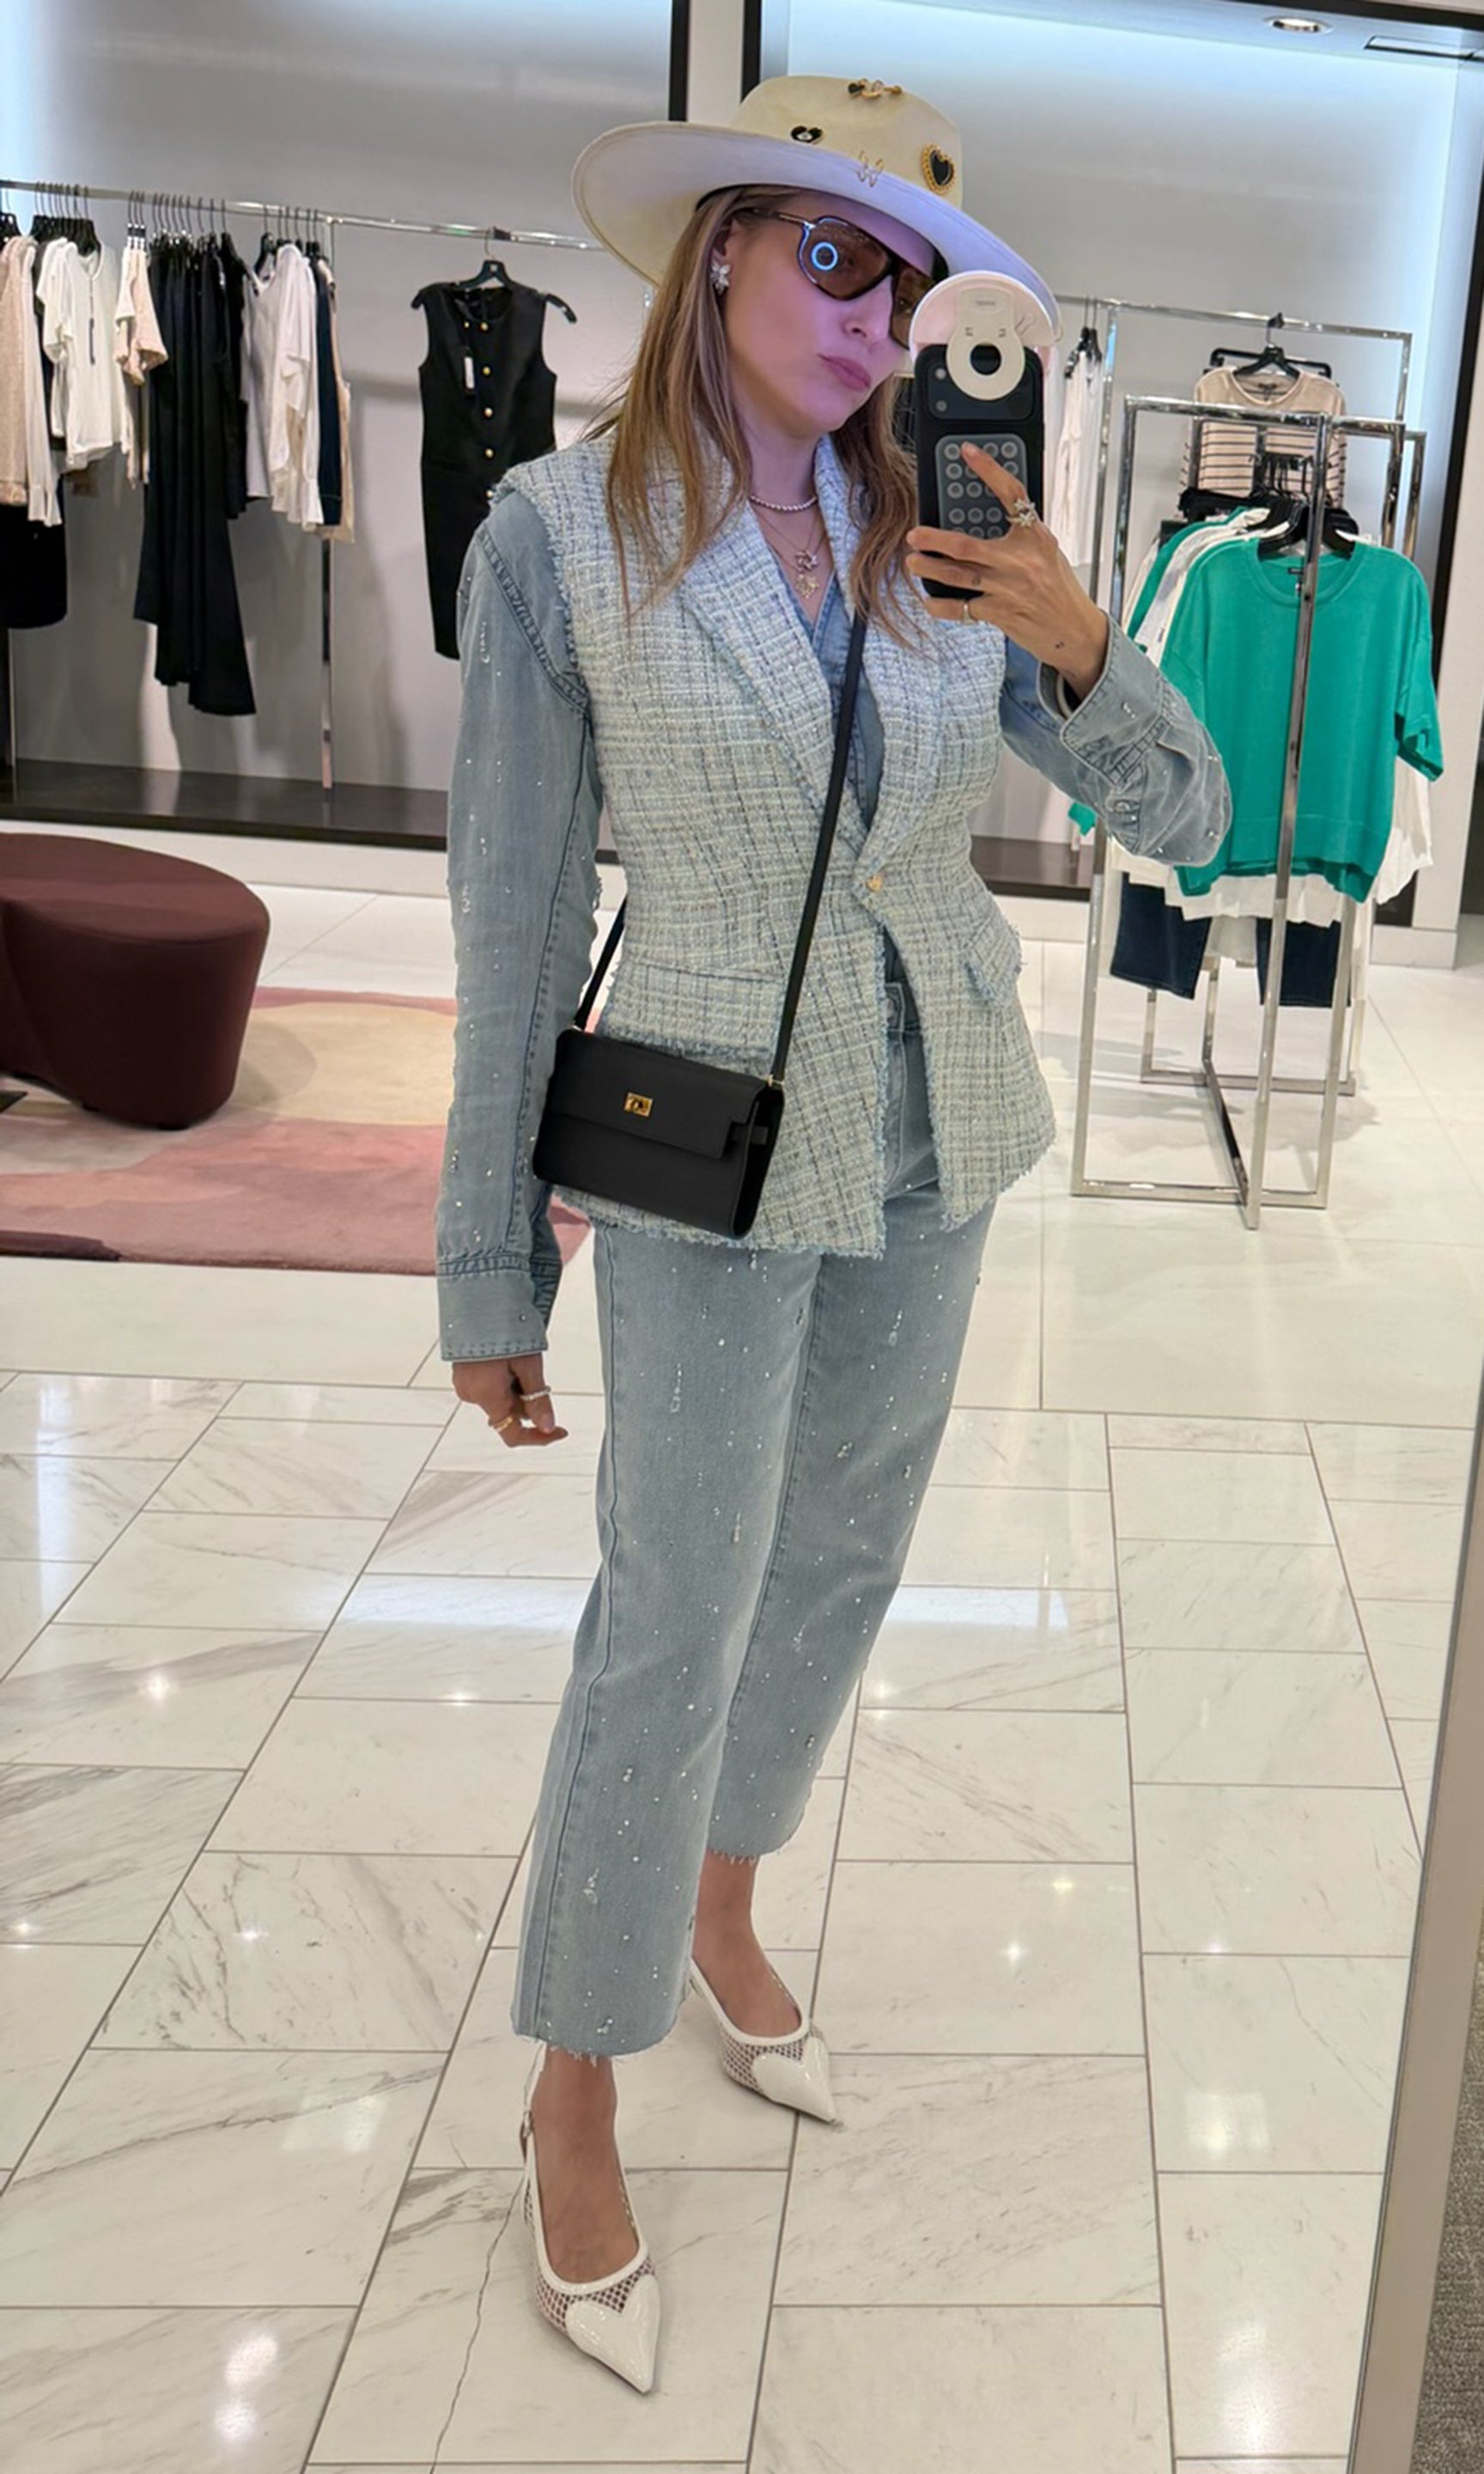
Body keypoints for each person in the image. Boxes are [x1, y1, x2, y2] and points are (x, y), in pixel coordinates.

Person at [436, 74, 1229, 2394]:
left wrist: (1079, 640)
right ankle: (575, 2076)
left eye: (926, 284)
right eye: (839, 260)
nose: (879, 322)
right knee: (673, 1599)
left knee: (844, 1564)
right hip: (696, 1138)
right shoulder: (556, 536)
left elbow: (1175, 821)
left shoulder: (946, 542)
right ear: (728, 251)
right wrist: (492, 1261)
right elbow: (508, 924)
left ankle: (717, 1900)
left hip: (930, 1125)